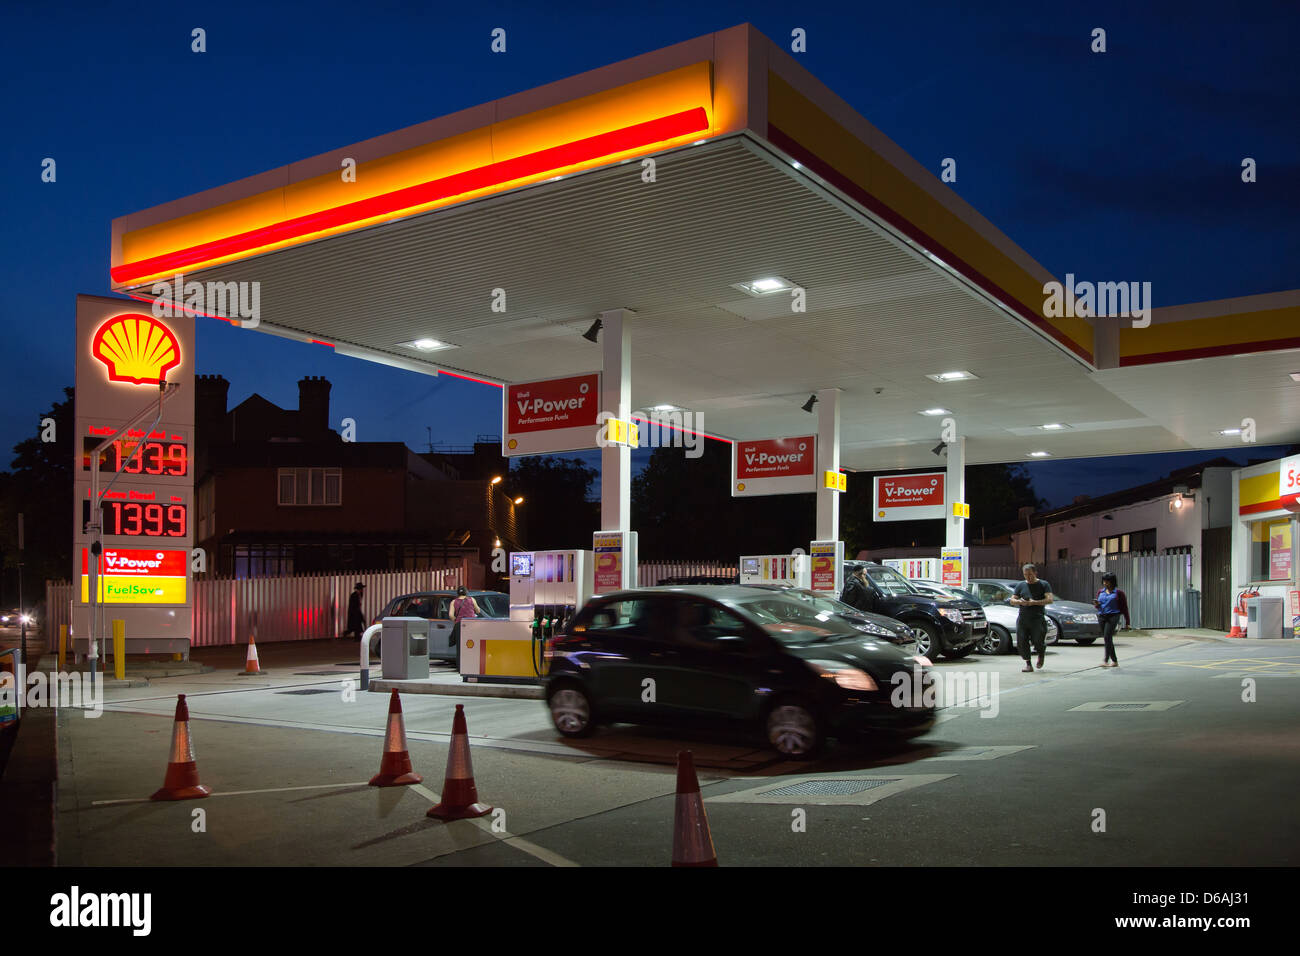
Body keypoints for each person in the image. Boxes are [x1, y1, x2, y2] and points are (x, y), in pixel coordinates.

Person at [1009, 563, 1054, 672]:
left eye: (1030, 574)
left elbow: (1050, 599)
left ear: (1035, 573)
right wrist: (1020, 602)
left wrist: (1035, 602)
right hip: (1023, 618)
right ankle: (1028, 663)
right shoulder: (1020, 585)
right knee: (1022, 641)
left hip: (1037, 618)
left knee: (1038, 640)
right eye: (1025, 575)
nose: (1028, 577)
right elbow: (1012, 600)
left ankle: (1041, 653)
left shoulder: (1044, 584)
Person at [1094, 572, 1130, 668]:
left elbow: (1125, 608)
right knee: (1108, 639)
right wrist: (1097, 605)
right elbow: (1098, 606)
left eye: (1107, 581)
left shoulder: (1119, 593)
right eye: (1104, 581)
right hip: (1102, 616)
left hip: (1113, 616)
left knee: (1107, 636)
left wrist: (1127, 622)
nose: (1105, 583)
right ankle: (1114, 661)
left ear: (1112, 582)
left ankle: (1106, 660)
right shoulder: (1100, 592)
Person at [449, 586, 481, 670]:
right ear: (466, 592)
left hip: (460, 625)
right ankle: (472, 666)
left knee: (460, 647)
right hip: (471, 625)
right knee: (473, 645)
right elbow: (478, 611)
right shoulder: (472, 599)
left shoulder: (453, 602)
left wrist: (456, 620)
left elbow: (451, 615)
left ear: (458, 593)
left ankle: (461, 667)